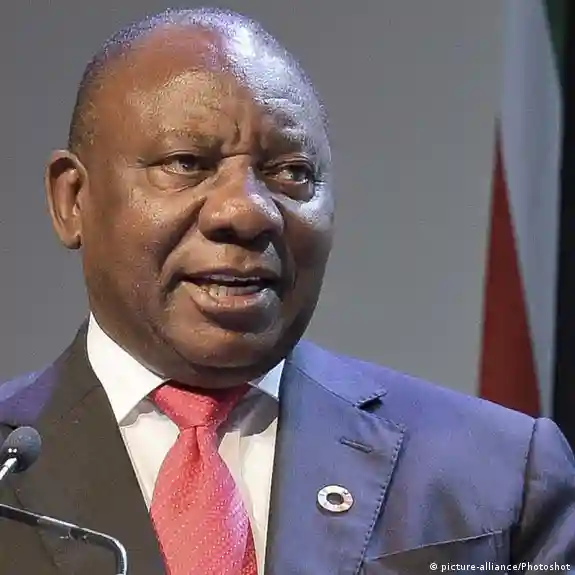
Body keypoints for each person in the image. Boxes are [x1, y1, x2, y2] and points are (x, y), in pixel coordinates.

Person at [0, 7, 574, 575]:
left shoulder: (498, 474)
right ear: (72, 200)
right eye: (187, 163)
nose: (247, 212)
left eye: (292, 172)